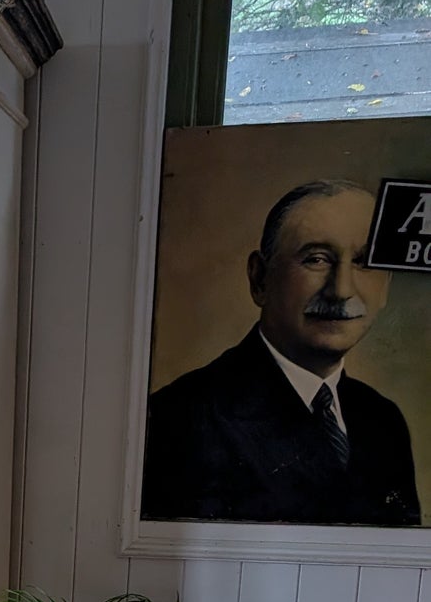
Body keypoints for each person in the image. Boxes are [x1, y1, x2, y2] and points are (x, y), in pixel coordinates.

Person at [142, 179, 420, 526]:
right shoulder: (178, 419)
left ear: (386, 287)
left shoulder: (383, 421)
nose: (342, 290)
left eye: (364, 262)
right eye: (316, 259)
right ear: (260, 279)